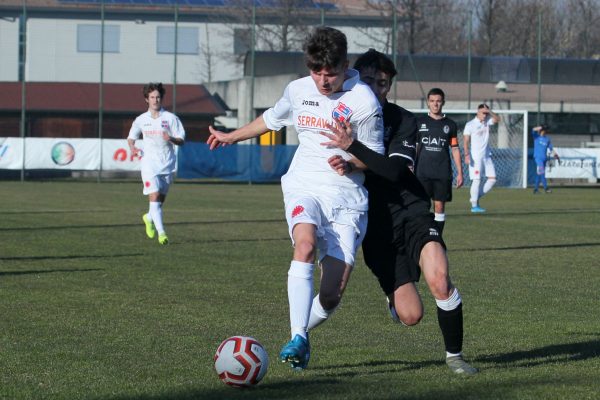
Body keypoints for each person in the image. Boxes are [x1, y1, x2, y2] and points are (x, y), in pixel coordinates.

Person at [207, 27, 384, 370]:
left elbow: (375, 159)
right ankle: (298, 336)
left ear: (345, 65)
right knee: (303, 246)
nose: (322, 80)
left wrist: (351, 158)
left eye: (330, 72)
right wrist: (232, 136)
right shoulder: (298, 90)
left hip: (346, 198)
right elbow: (271, 120)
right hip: (303, 184)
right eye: (315, 71)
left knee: (331, 295)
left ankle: (303, 336)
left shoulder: (364, 101)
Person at [320, 49, 478, 375]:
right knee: (411, 315)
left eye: (382, 83)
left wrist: (352, 149)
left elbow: (393, 171)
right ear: (354, 80)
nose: (376, 88)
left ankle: (455, 357)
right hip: (376, 228)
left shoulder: (404, 121)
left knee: (440, 279)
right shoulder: (338, 119)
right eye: (368, 81)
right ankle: (394, 300)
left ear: (389, 86)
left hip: (411, 209)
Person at [127, 82, 185, 245]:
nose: (155, 100)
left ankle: (148, 217)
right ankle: (162, 233)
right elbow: (131, 138)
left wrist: (171, 138)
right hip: (149, 165)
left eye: (158, 97)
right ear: (147, 99)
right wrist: (132, 148)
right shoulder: (141, 120)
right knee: (154, 197)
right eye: (152, 97)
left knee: (159, 201)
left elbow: (181, 141)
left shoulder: (171, 119)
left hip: (167, 165)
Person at [415, 88, 463, 233]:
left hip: (442, 173)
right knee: (421, 206)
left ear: (443, 103)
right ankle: (422, 239)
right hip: (422, 172)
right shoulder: (419, 123)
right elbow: (415, 147)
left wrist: (460, 172)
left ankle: (438, 239)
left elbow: (454, 148)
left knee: (439, 207)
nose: (435, 104)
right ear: (428, 103)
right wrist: (411, 166)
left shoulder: (451, 125)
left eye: (438, 101)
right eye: (432, 101)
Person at [463, 103, 500, 213]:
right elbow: (465, 141)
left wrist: (490, 111)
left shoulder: (487, 121)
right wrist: (466, 154)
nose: (484, 115)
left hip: (487, 156)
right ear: (477, 112)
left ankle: (475, 197)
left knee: (492, 179)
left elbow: (498, 119)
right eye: (483, 113)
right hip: (476, 157)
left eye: (486, 113)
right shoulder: (470, 124)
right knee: (477, 180)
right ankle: (474, 206)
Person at [532, 124, 560, 194]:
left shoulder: (547, 139)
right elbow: (533, 129)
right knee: (542, 173)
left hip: (544, 159)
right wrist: (541, 127)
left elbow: (550, 148)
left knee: (539, 174)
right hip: (538, 158)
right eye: (544, 130)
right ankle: (546, 188)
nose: (545, 132)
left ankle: (535, 189)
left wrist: (555, 154)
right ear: (541, 130)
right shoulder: (536, 137)